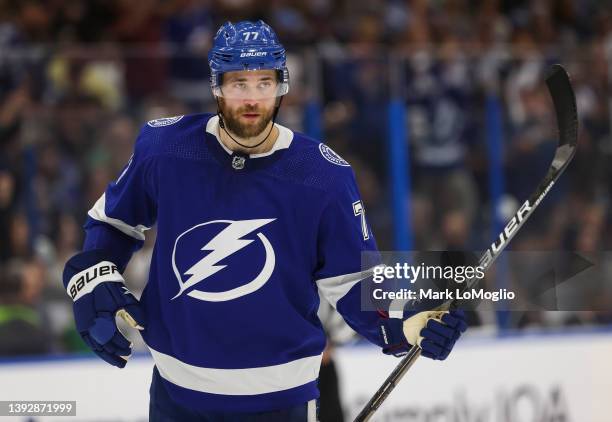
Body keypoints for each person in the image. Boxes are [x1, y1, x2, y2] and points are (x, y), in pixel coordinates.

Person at [62, 20, 467, 422]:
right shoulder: (164, 150)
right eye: (239, 83)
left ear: (281, 87)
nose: (252, 98)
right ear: (217, 86)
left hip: (280, 404)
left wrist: (410, 322)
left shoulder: (323, 176)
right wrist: (92, 277)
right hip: (175, 398)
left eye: (264, 83)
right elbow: (112, 223)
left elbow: (355, 284)